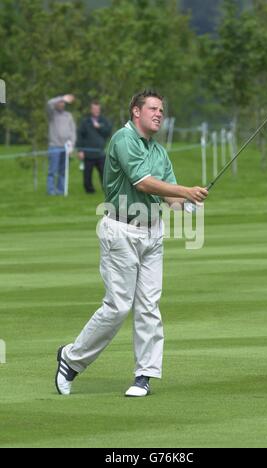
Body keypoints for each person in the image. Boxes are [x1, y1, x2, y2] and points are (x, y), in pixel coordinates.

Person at [55, 89, 208, 397]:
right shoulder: (123, 140)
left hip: (152, 232)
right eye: (153, 108)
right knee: (118, 306)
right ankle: (70, 359)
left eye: (162, 110)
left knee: (149, 306)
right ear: (136, 112)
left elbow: (167, 197)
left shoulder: (160, 152)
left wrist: (187, 203)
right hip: (120, 230)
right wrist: (184, 190)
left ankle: (144, 375)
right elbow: (142, 182)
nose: (159, 114)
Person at [77, 101, 112, 193]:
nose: (96, 111)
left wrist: (99, 127)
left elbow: (108, 132)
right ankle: (89, 190)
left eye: (98, 109)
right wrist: (80, 150)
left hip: (100, 153)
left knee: (104, 173)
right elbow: (80, 136)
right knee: (87, 173)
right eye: (94, 109)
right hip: (88, 153)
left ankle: (107, 189)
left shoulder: (103, 121)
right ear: (91, 110)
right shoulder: (85, 122)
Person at [46, 94, 76, 195]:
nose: (61, 104)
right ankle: (50, 191)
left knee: (63, 171)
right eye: (60, 102)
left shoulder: (68, 115)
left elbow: (72, 131)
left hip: (66, 147)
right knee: (52, 171)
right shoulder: (52, 114)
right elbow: (49, 103)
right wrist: (63, 98)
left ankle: (60, 190)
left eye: (63, 102)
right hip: (54, 146)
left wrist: (72, 145)